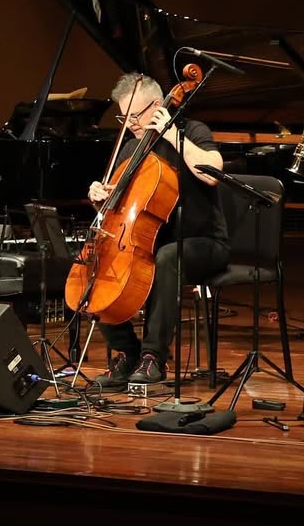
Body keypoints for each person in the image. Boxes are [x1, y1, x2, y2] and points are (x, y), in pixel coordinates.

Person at [86, 73, 229, 390]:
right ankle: (126, 352)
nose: (130, 124)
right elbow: (120, 208)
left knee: (167, 257)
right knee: (97, 260)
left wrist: (174, 135)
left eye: (135, 116)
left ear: (157, 106)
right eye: (124, 118)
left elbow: (213, 173)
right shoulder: (131, 148)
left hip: (203, 242)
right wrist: (99, 197)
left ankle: (154, 357)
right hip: (147, 242)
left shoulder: (191, 131)